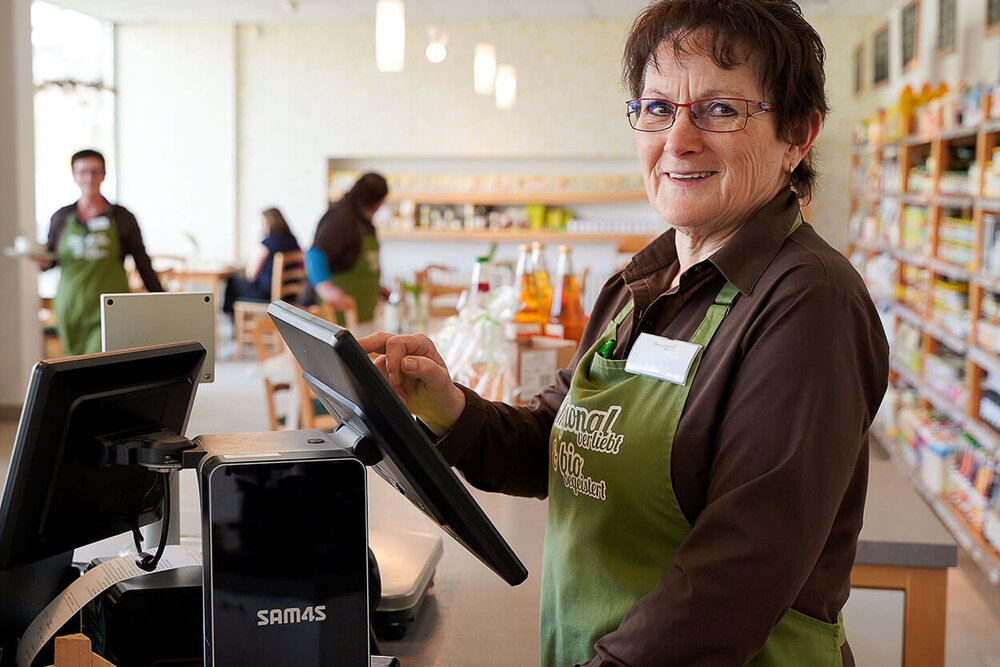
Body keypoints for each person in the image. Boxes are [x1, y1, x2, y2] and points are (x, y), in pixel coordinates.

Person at [360, 1, 890, 665]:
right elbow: (558, 445)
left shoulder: (810, 302)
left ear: (799, 135)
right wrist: (448, 405)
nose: (679, 139)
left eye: (721, 109)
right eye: (657, 108)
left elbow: (735, 576)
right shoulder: (641, 282)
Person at [39, 149, 162, 355]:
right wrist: (41, 261)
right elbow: (51, 259)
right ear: (74, 175)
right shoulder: (60, 217)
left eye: (95, 172)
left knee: (101, 364)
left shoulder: (122, 217)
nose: (89, 178)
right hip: (70, 307)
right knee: (73, 368)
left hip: (110, 308)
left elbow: (142, 261)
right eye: (83, 172)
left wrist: (160, 300)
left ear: (104, 175)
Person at [304, 172, 388, 323]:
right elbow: (315, 254)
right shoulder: (341, 217)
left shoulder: (364, 220)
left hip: (363, 312)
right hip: (339, 314)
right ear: (377, 201)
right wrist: (325, 288)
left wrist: (378, 289)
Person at [222, 207, 300, 314]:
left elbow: (251, 274)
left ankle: (230, 320)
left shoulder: (267, 244)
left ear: (268, 224)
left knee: (232, 282)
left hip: (268, 295)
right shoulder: (292, 240)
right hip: (289, 296)